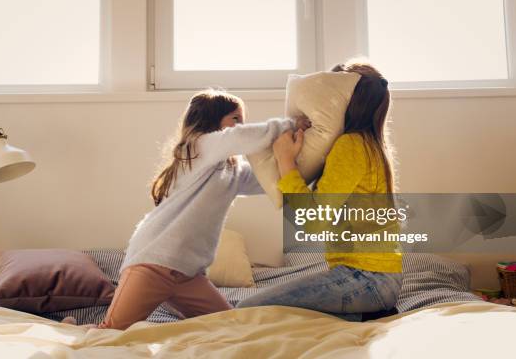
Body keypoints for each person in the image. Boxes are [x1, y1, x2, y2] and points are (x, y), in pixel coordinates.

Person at [81, 88, 309, 330]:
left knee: (229, 326)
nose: (241, 125)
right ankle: (73, 327)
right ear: (211, 121)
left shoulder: (232, 170)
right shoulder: (197, 148)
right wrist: (290, 124)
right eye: (235, 119)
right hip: (152, 264)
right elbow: (240, 138)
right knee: (112, 332)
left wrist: (295, 160)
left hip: (189, 276)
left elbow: (268, 181)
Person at [237, 60, 403, 321]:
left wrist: (286, 161)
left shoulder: (351, 146)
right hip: (373, 279)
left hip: (367, 279)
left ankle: (367, 312)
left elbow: (312, 223)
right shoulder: (367, 144)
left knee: (246, 311)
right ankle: (359, 316)